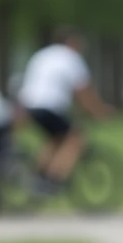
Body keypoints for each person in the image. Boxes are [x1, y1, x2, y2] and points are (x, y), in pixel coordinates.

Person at [18, 28, 114, 192]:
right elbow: (84, 92)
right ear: (71, 42)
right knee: (76, 139)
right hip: (50, 106)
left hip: (30, 105)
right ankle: (55, 179)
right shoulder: (71, 58)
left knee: (56, 138)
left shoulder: (43, 55)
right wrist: (99, 111)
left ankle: (39, 175)